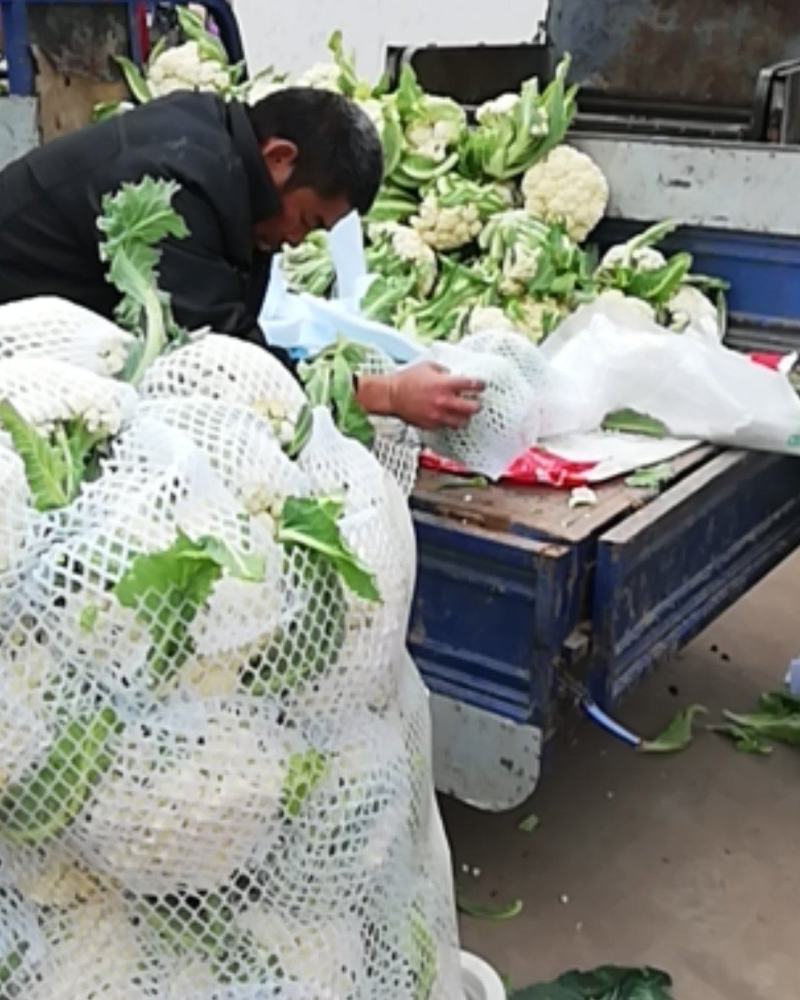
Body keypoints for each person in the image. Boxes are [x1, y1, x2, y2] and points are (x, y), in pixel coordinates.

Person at [0, 87, 482, 431]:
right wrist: (388, 395)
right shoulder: (181, 185)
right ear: (279, 157)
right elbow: (222, 364)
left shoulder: (218, 146)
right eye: (308, 221)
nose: (295, 240)